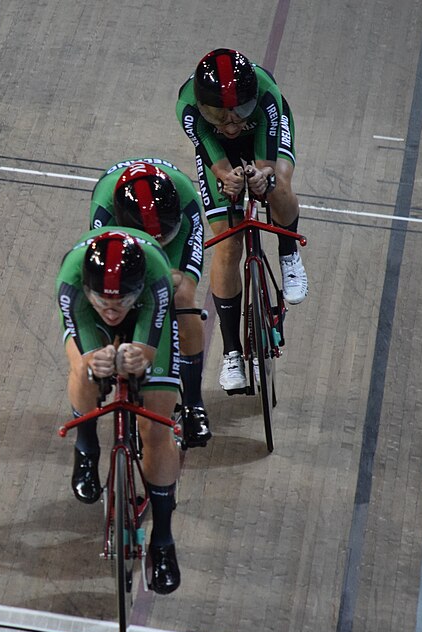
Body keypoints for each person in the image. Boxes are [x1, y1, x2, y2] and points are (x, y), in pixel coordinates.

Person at [56, 227, 181, 594]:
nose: (111, 311)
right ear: (87, 287)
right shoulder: (70, 280)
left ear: (137, 289)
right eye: (103, 301)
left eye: (119, 302)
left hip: (145, 315)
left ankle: (163, 540)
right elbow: (85, 339)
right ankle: (87, 447)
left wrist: (139, 358)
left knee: (156, 430)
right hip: (85, 315)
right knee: (85, 369)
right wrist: (98, 361)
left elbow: (149, 350)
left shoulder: (156, 277)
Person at [176, 48, 308, 392]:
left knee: (277, 179)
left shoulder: (265, 95)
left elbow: (265, 164)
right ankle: (232, 352)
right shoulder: (188, 108)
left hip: (264, 135)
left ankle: (288, 252)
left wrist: (260, 176)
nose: (232, 123)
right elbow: (215, 160)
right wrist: (229, 178)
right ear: (204, 108)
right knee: (228, 244)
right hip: (218, 151)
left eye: (238, 113)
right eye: (221, 115)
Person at [90, 158, 211, 448]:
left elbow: (181, 281)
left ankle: (194, 403)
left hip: (177, 232)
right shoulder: (105, 211)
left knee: (182, 298)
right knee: (115, 293)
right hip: (127, 242)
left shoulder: (185, 201)